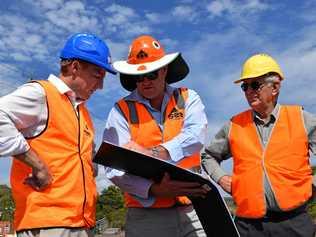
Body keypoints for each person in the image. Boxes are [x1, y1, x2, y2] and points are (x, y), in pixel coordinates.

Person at [0, 33, 116, 237]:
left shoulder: (82, 112)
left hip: (81, 222)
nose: (100, 86)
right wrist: (39, 166)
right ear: (75, 67)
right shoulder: (41, 93)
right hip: (48, 224)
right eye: (97, 75)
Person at [103, 35, 208, 237]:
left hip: (193, 208)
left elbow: (195, 136)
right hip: (146, 216)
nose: (145, 81)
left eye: (151, 74)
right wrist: (153, 189)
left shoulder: (188, 97)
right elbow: (112, 167)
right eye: (139, 77)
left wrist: (155, 153)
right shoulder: (120, 110)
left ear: (164, 70)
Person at [202, 53, 315, 237]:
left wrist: (312, 185)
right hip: (248, 227)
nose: (249, 91)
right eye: (245, 87)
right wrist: (222, 179)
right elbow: (208, 156)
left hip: (294, 224)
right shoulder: (234, 125)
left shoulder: (301, 119)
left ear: (275, 87)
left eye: (255, 85)